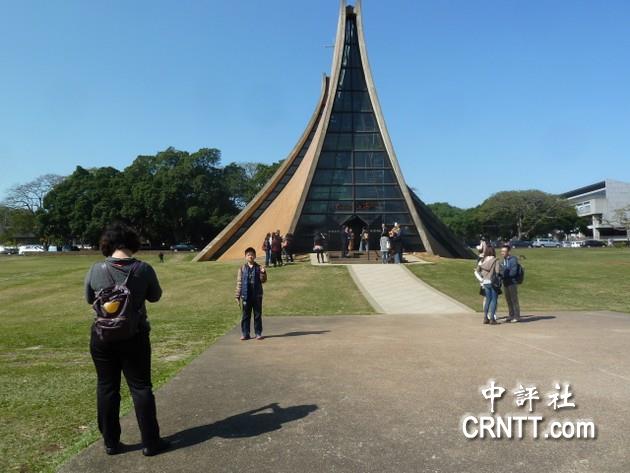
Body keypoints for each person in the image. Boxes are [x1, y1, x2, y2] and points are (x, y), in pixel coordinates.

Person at [85, 223, 169, 457]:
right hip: (135, 335)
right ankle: (151, 442)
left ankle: (111, 442)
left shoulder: (96, 269)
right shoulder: (143, 269)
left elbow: (88, 297)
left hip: (102, 336)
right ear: (132, 243)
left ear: (107, 244)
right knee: (141, 388)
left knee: (107, 387)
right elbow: (155, 296)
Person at [235, 247, 267, 340]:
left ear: (255, 256)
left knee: (257, 315)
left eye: (252, 255)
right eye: (248, 255)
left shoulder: (259, 267)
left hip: (257, 295)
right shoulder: (242, 269)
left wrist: (263, 273)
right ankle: (245, 333)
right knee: (246, 315)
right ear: (245, 257)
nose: (250, 256)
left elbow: (263, 280)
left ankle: (258, 333)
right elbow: (239, 283)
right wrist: (237, 296)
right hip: (246, 295)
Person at [474, 245, 501, 325]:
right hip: (493, 282)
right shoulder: (495, 260)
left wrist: (482, 278)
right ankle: (492, 318)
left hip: (485, 282)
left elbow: (477, 270)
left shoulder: (482, 260)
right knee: (494, 300)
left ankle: (485, 317)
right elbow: (497, 271)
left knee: (488, 300)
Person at [500, 245, 521, 323]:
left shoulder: (513, 260)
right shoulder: (504, 260)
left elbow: (513, 272)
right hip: (505, 282)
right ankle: (511, 315)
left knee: (514, 299)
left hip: (512, 282)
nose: (502, 253)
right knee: (508, 299)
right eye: (501, 251)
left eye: (504, 251)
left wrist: (504, 273)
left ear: (508, 252)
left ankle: (517, 316)